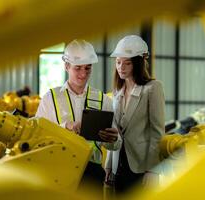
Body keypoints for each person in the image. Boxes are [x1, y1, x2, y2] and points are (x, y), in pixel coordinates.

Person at [35, 39, 121, 191]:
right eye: (78, 68)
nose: (83, 74)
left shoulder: (103, 100)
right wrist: (65, 127)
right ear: (66, 66)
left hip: (91, 173)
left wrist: (113, 139)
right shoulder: (50, 98)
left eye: (88, 68)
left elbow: (116, 144)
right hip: (58, 171)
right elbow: (36, 136)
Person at [104, 35, 165, 194]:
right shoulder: (117, 92)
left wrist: (153, 171)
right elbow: (114, 131)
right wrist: (109, 166)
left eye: (127, 63)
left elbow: (157, 133)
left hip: (141, 168)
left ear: (138, 63)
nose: (121, 67)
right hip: (118, 167)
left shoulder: (153, 88)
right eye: (118, 62)